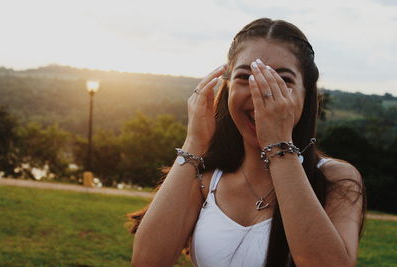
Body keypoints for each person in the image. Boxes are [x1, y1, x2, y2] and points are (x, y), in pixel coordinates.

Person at [130, 18, 366, 267]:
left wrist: (278, 146)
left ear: (306, 96)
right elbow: (147, 261)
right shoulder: (205, 178)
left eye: (282, 80)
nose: (261, 92)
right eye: (245, 76)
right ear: (227, 87)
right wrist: (193, 144)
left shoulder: (337, 179)